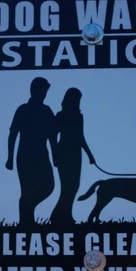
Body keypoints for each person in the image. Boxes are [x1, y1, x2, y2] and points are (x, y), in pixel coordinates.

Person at [6, 77, 56, 225]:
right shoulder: (23, 110)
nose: (45, 93)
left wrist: (56, 157)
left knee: (48, 186)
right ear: (36, 90)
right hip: (25, 157)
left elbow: (52, 137)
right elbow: (13, 134)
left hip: (42, 156)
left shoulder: (47, 111)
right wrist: (9, 158)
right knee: (27, 191)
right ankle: (26, 222)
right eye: (43, 90)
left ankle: (27, 214)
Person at [50, 87, 95, 225]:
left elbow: (81, 137)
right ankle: (57, 216)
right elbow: (52, 136)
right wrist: (55, 156)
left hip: (76, 154)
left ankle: (65, 215)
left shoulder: (79, 116)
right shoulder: (60, 115)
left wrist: (89, 155)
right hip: (64, 152)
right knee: (67, 187)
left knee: (74, 186)